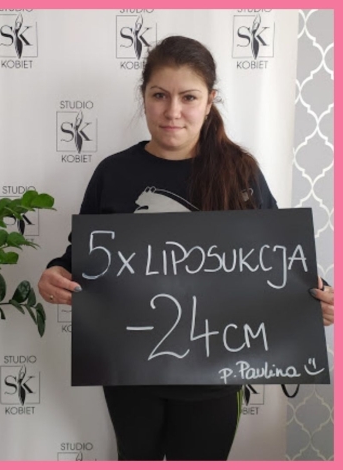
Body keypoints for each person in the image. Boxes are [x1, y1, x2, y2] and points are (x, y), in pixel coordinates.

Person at [38, 36, 334, 461]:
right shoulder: (113, 174)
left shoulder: (240, 173)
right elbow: (80, 259)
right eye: (159, 95)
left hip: (216, 376)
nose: (172, 111)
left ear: (210, 101)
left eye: (188, 97)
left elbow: (276, 263)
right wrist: (55, 272)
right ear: (144, 97)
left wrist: (314, 300)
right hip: (129, 373)